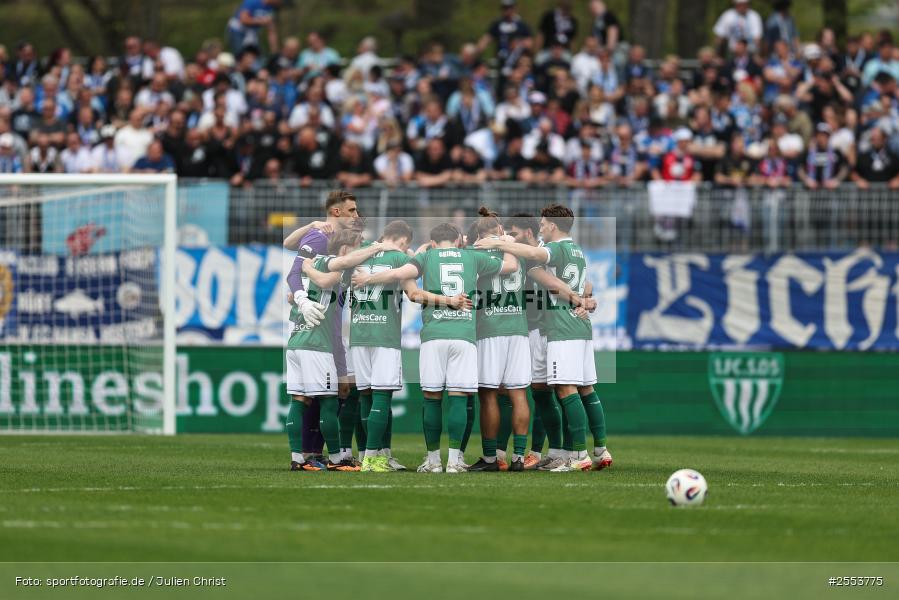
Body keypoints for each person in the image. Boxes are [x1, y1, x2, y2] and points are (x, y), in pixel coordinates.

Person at [353, 222, 516, 473]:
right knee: (459, 397)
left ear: (432, 242)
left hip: (433, 335)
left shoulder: (426, 257)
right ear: (458, 240)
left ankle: (433, 461)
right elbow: (511, 266)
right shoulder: (472, 256)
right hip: (464, 335)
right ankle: (454, 462)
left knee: (432, 398)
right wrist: (506, 243)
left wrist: (368, 278)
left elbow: (402, 277)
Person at [475, 204, 611, 472]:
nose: (511, 238)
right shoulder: (572, 250)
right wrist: (584, 299)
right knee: (550, 392)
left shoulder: (542, 252)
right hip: (552, 327)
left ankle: (575, 453)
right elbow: (585, 282)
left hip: (549, 329)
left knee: (562, 390)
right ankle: (572, 451)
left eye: (514, 234)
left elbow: (553, 280)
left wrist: (580, 299)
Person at [324, 220, 469, 472]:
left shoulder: (359, 255)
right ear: (404, 240)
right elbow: (414, 293)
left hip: (358, 335)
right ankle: (374, 459)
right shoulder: (400, 259)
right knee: (382, 396)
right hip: (385, 335)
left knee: (366, 397)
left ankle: (371, 455)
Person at [285, 230, 393, 472]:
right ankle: (336, 459)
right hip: (316, 343)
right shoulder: (332, 263)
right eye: (357, 247)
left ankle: (297, 458)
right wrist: (376, 248)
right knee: (329, 401)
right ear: (345, 248)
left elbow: (295, 293)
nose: (359, 252)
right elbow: (329, 278)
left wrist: (306, 268)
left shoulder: (312, 266)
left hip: (296, 341)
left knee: (299, 400)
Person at [284, 190, 364, 467]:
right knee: (332, 394)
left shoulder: (329, 241)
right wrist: (302, 298)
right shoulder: (322, 239)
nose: (357, 215)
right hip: (319, 332)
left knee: (305, 396)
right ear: (336, 212)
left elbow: (289, 245)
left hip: (306, 332)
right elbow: (296, 272)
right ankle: (330, 455)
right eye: (352, 210)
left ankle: (304, 456)